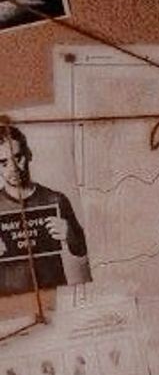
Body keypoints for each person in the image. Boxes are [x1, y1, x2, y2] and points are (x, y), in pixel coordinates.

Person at [0, 125, 89, 295]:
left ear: (29, 154)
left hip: (53, 295)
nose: (13, 168)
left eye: (18, 158)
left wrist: (69, 234)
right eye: (3, 163)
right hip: (10, 299)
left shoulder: (55, 199)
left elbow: (82, 249)